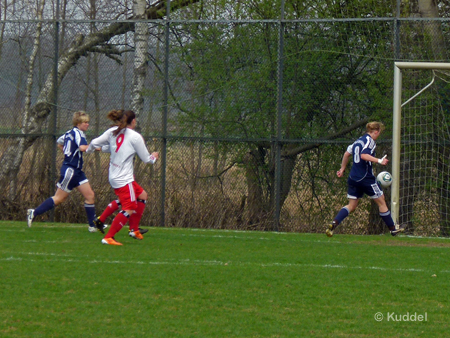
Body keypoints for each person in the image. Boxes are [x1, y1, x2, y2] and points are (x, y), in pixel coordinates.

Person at [86, 109, 158, 245]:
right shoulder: (135, 136)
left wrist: (89, 150)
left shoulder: (113, 131)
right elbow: (147, 159)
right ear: (134, 121)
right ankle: (109, 237)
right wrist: (154, 157)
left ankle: (134, 229)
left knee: (142, 195)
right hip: (124, 178)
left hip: (114, 176)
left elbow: (96, 143)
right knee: (129, 207)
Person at [326, 121, 406, 237]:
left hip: (353, 177)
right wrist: (379, 160)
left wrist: (342, 169)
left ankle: (334, 223)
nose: (378, 135)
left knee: (351, 206)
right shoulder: (370, 142)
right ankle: (393, 230)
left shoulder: (357, 141)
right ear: (375, 131)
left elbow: (346, 154)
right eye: (379, 133)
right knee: (381, 201)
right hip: (365, 178)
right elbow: (363, 155)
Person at [27, 111, 102, 232]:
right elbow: (83, 148)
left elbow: (59, 143)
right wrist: (95, 147)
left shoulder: (69, 133)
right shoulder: (79, 134)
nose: (87, 124)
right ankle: (34, 212)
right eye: (85, 122)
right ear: (78, 123)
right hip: (70, 171)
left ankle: (92, 226)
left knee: (90, 196)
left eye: (88, 122)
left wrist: (68, 152)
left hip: (77, 171)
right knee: (59, 198)